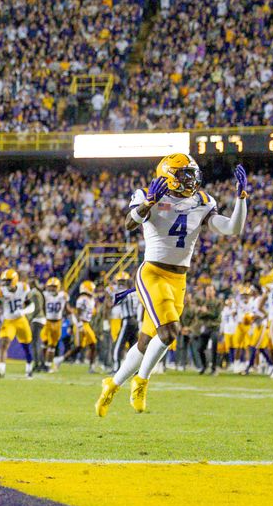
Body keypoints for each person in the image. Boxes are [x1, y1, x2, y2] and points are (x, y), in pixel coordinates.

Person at [96, 155, 248, 416]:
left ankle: (111, 384)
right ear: (168, 175)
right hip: (152, 273)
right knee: (169, 333)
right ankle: (141, 382)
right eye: (184, 174)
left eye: (192, 174)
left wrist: (241, 199)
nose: (191, 179)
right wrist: (147, 204)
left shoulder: (202, 201)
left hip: (179, 279)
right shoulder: (149, 194)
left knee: (146, 341)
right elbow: (129, 223)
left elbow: (232, 228)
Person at [0, 268, 35, 379]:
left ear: (14, 280)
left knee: (27, 346)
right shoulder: (0, 292)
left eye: (8, 281)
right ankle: (1, 370)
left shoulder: (24, 288)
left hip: (21, 319)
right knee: (3, 343)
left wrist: (23, 311)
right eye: (4, 281)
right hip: (8, 320)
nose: (5, 284)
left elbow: (31, 306)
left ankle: (29, 368)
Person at [110, 271, 139, 372]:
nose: (121, 284)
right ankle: (136, 370)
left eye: (122, 281)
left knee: (118, 345)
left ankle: (116, 368)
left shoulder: (124, 293)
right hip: (136, 321)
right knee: (133, 346)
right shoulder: (135, 292)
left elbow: (112, 303)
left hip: (128, 320)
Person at [40, 277, 69, 372]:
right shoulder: (44, 295)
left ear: (58, 287)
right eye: (50, 287)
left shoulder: (63, 296)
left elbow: (67, 309)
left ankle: (47, 365)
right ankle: (42, 363)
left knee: (52, 346)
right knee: (44, 342)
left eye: (54, 287)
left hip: (57, 322)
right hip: (47, 321)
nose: (52, 289)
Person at [194, 284, 222, 375]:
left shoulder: (218, 302)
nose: (209, 292)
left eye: (210, 290)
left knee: (214, 347)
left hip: (215, 327)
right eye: (207, 290)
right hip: (205, 327)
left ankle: (214, 368)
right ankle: (204, 365)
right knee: (200, 348)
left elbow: (216, 315)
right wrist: (200, 311)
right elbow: (199, 316)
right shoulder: (203, 302)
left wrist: (206, 312)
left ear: (214, 291)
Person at [27, 281, 46, 371]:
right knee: (39, 342)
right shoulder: (39, 293)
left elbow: (37, 307)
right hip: (41, 319)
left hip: (37, 319)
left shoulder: (33, 293)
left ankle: (37, 364)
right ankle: (42, 363)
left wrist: (30, 318)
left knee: (35, 343)